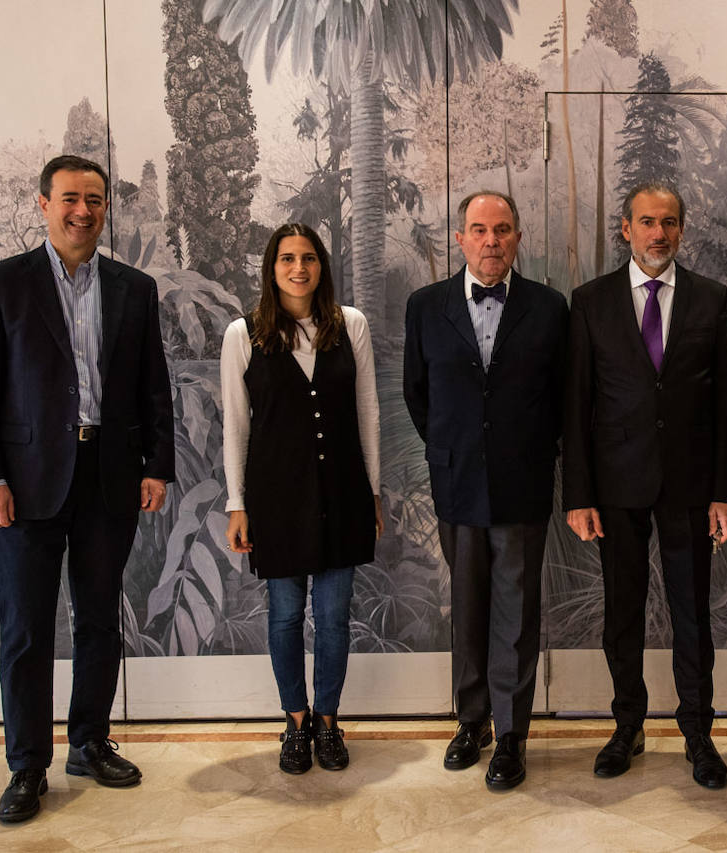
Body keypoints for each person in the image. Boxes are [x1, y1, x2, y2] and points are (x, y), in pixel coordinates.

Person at [0, 154, 175, 824]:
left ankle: (88, 740)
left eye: (97, 200)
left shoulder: (134, 289)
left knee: (100, 620)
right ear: (43, 203)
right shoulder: (0, 285)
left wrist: (157, 465)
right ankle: (27, 765)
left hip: (108, 481)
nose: (85, 211)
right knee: (25, 629)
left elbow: (152, 388)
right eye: (72, 198)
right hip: (25, 487)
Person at [562, 182, 727, 789]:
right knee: (623, 612)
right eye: (646, 222)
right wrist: (579, 495)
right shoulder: (590, 301)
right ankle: (627, 727)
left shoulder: (711, 299)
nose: (658, 233)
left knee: (693, 613)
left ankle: (698, 733)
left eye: (668, 222)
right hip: (616, 486)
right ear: (625, 228)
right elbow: (577, 404)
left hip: (690, 485)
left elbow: (725, 407)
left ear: (681, 231)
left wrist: (723, 490)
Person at [403, 191, 566, 790]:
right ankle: (470, 721)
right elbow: (418, 395)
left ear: (518, 238)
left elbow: (561, 401)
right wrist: (454, 448)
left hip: (523, 482)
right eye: (479, 229)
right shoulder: (426, 306)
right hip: (457, 480)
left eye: (502, 230)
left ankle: (512, 733)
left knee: (516, 612)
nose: (491, 241)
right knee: (467, 607)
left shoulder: (550, 309)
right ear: (460, 238)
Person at [221, 223, 382, 776]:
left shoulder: (350, 325)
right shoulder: (243, 334)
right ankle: (295, 722)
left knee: (334, 618)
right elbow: (235, 426)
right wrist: (236, 504)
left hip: (343, 493)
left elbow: (368, 413)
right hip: (275, 498)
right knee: (286, 616)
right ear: (271, 268)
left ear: (322, 266)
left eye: (308, 258)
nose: (298, 268)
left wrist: (374, 492)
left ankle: (329, 721)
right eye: (287, 258)